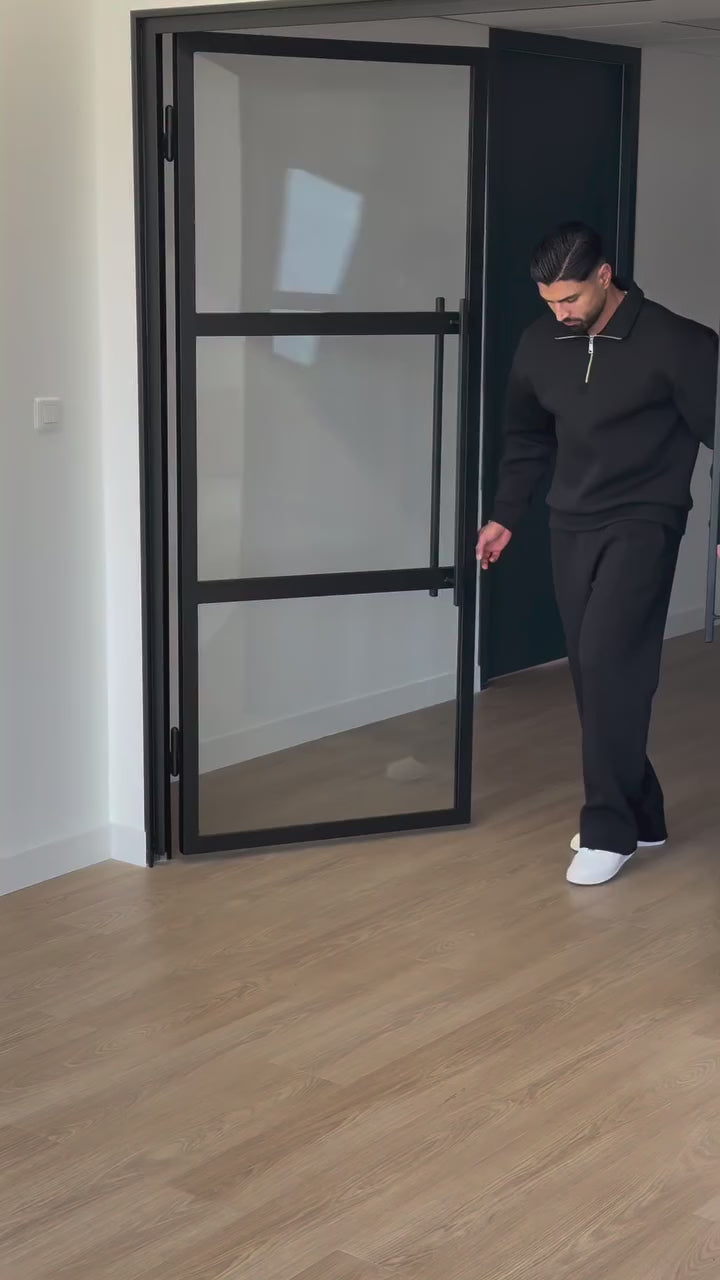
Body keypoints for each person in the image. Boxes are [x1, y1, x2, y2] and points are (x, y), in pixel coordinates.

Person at [477, 222, 718, 886]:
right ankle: (643, 812)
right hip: (570, 521)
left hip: (644, 520)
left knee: (612, 663)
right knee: (593, 671)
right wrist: (505, 515)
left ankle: (609, 827)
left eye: (571, 298)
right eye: (549, 301)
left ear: (605, 277)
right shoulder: (541, 343)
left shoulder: (679, 343)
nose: (560, 312)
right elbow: (527, 437)